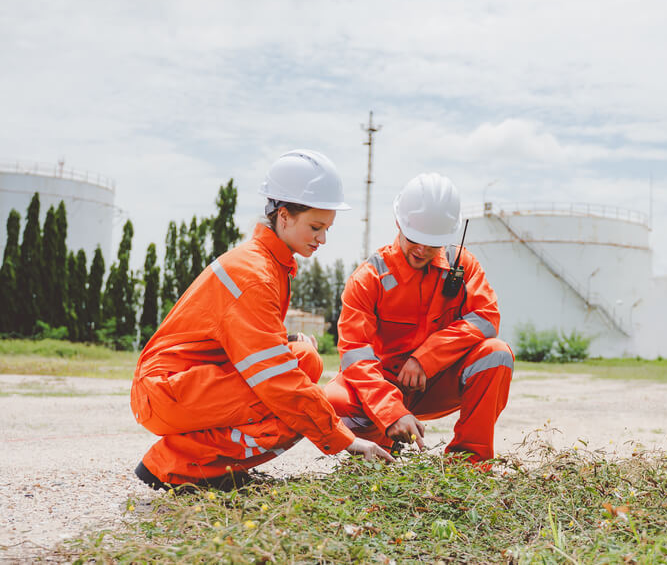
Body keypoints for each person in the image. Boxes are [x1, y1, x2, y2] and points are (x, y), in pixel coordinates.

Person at [131, 149, 392, 491]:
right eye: (316, 227)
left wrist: (289, 344)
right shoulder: (255, 274)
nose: (323, 239)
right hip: (166, 390)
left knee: (304, 358)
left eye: (327, 228)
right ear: (284, 216)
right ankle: (179, 466)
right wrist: (344, 439)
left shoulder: (267, 264)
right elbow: (276, 379)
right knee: (298, 396)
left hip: (181, 383)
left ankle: (205, 463)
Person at [323, 172, 513, 464]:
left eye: (432, 243)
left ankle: (469, 463)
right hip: (382, 385)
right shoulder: (368, 278)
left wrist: (427, 358)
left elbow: (486, 318)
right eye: (415, 239)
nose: (422, 250)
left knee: (496, 354)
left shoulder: (462, 266)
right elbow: (355, 355)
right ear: (399, 223)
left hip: (435, 385)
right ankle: (381, 450)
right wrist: (390, 411)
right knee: (333, 400)